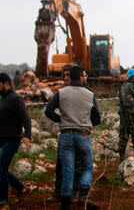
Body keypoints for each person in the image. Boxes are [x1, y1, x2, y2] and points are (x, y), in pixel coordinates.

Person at [45, 65, 101, 210]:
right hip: (83, 135)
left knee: (67, 170)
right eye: (85, 75)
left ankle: (65, 204)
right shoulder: (89, 94)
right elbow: (98, 118)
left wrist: (60, 120)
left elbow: (48, 110)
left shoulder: (61, 92)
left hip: (66, 135)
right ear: (81, 77)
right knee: (88, 167)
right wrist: (87, 124)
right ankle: (82, 196)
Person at [48, 64, 83, 202]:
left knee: (78, 165)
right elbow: (48, 110)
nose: (66, 78)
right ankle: (59, 191)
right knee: (61, 164)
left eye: (68, 75)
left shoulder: (84, 91)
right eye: (64, 76)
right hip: (66, 133)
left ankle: (74, 192)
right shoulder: (61, 93)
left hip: (80, 133)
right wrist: (60, 120)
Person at [0, 73, 32, 209]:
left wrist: (27, 136)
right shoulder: (2, 99)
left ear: (5, 83)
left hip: (11, 140)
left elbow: (26, 119)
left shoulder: (16, 99)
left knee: (0, 167)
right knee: (2, 168)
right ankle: (21, 188)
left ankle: (3, 202)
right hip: (1, 140)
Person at [118, 68, 134, 161]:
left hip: (123, 113)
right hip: (132, 113)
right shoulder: (133, 86)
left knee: (123, 134)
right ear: (131, 77)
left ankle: (121, 155)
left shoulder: (123, 86)